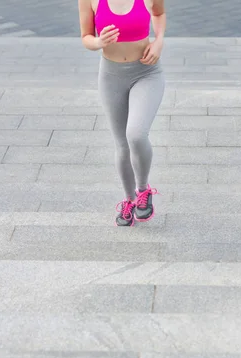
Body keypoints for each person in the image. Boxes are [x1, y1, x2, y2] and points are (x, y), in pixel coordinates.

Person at [78, 0, 166, 226]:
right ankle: (129, 200)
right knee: (122, 144)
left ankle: (143, 190)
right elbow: (86, 37)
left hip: (146, 73)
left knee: (136, 134)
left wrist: (158, 42)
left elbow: (159, 13)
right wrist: (98, 41)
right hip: (111, 76)